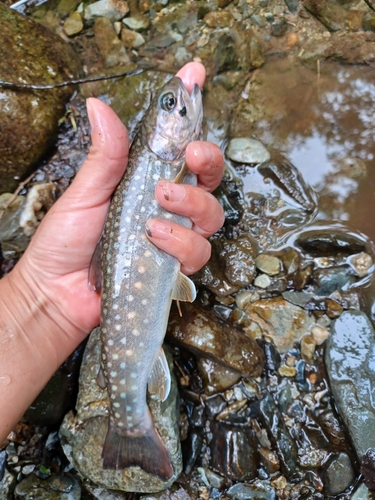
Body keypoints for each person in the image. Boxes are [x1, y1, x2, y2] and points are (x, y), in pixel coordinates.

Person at [0, 62, 224, 443]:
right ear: (155, 132)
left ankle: (130, 424)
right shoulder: (164, 160)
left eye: (172, 103)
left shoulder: (173, 159)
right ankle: (130, 428)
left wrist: (39, 298)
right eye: (170, 105)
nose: (180, 106)